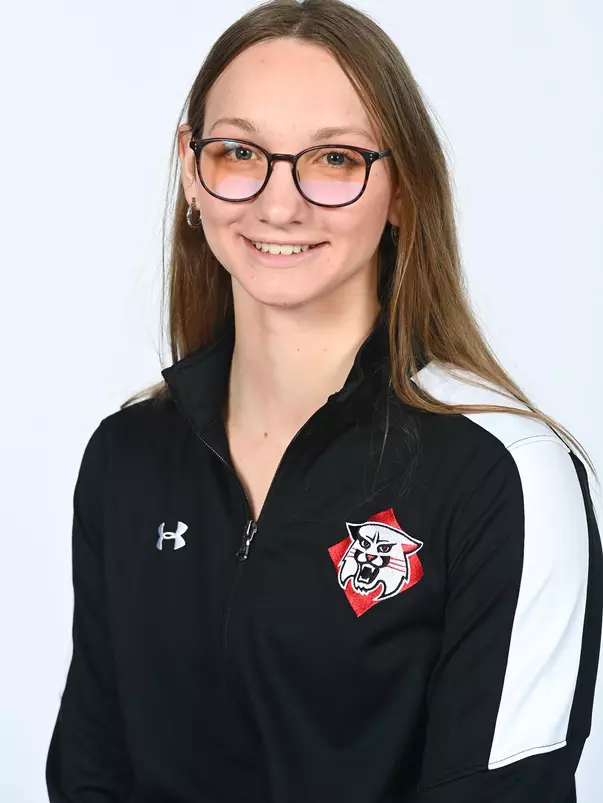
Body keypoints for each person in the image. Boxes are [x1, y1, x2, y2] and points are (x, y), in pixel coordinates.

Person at [46, 1, 602, 801]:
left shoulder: (503, 475)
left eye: (335, 159)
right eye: (240, 152)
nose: (280, 204)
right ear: (192, 169)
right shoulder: (125, 458)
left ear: (403, 187)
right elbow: (91, 775)